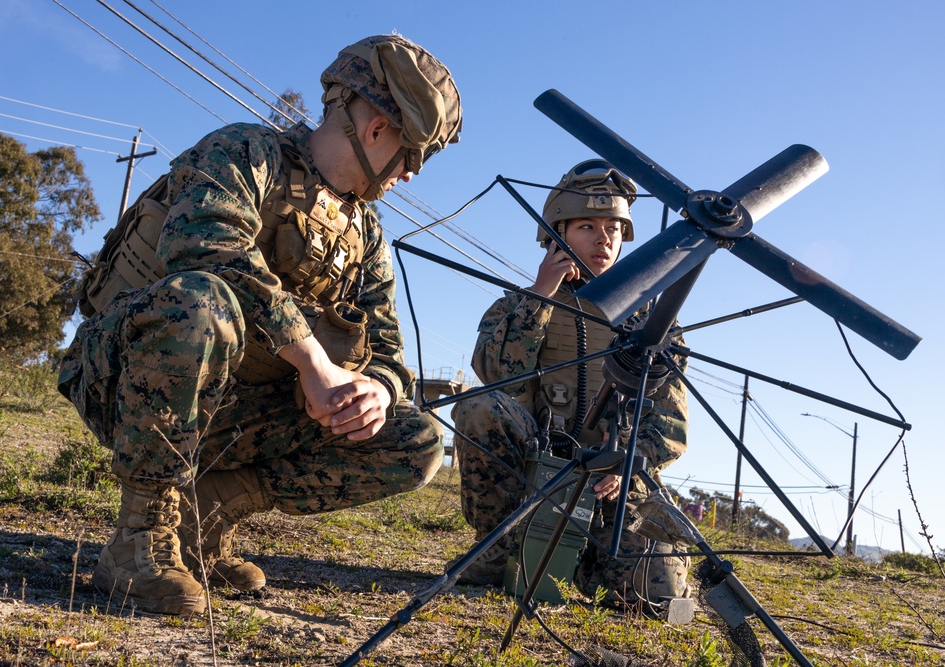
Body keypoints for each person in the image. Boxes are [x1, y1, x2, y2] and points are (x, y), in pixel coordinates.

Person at [57, 34, 462, 615]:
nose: (411, 176)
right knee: (201, 303)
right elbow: (204, 247)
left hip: (234, 412)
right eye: (414, 157)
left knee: (414, 437)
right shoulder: (244, 152)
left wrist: (377, 388)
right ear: (377, 131)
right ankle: (138, 538)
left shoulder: (366, 237)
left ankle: (201, 522)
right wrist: (313, 361)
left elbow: (390, 350)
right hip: (126, 382)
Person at [451, 160, 690, 610]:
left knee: (660, 599)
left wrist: (626, 462)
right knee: (478, 406)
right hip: (532, 474)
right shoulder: (519, 304)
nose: (604, 238)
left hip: (610, 485)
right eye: (587, 225)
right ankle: (498, 547)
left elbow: (671, 430)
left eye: (615, 228)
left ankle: (586, 567)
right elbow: (495, 375)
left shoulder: (655, 324)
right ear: (556, 233)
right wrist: (541, 295)